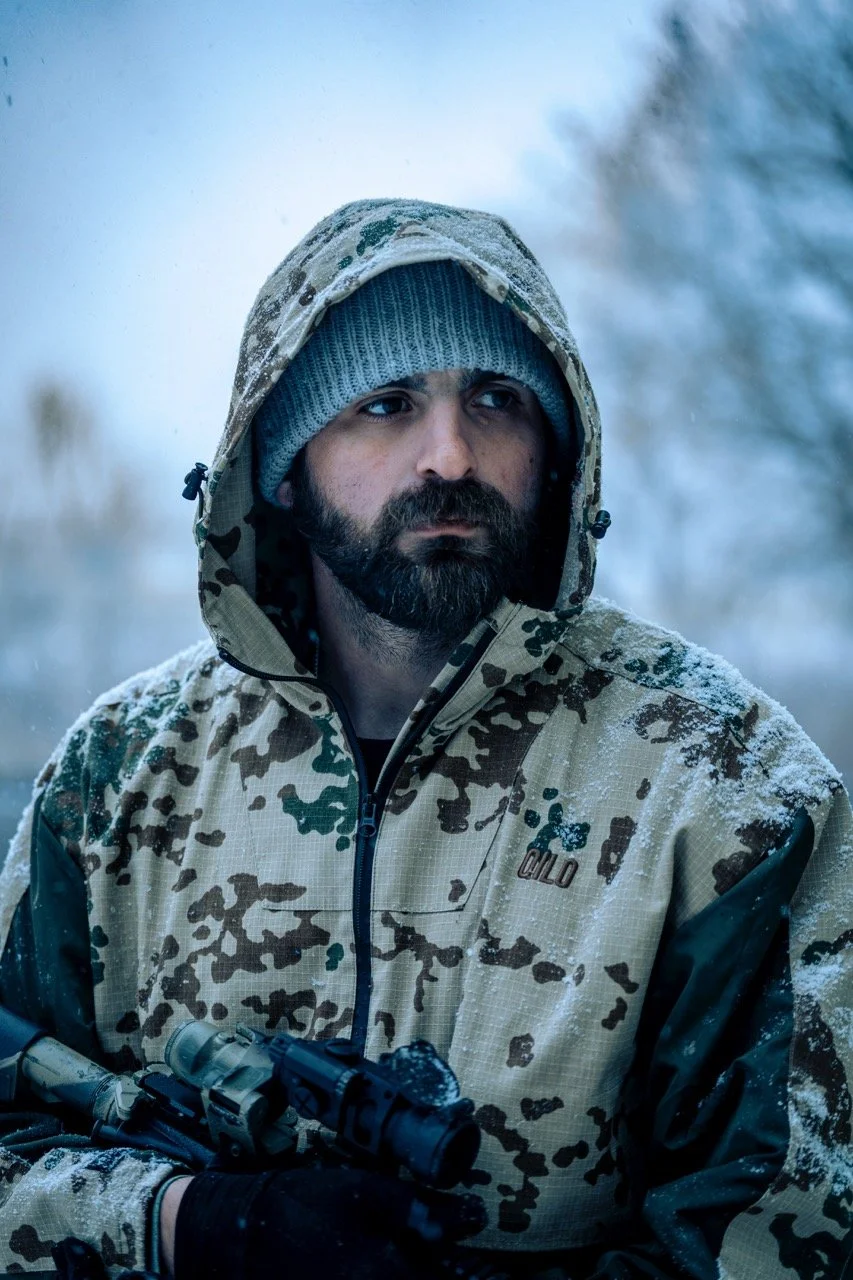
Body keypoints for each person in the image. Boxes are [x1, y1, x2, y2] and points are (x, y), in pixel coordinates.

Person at [0, 197, 850, 1280]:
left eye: (495, 399)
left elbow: (789, 1224)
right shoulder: (118, 775)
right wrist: (183, 1224)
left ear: (556, 449)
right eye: (387, 403)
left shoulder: (723, 782)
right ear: (283, 461)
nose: (448, 454)